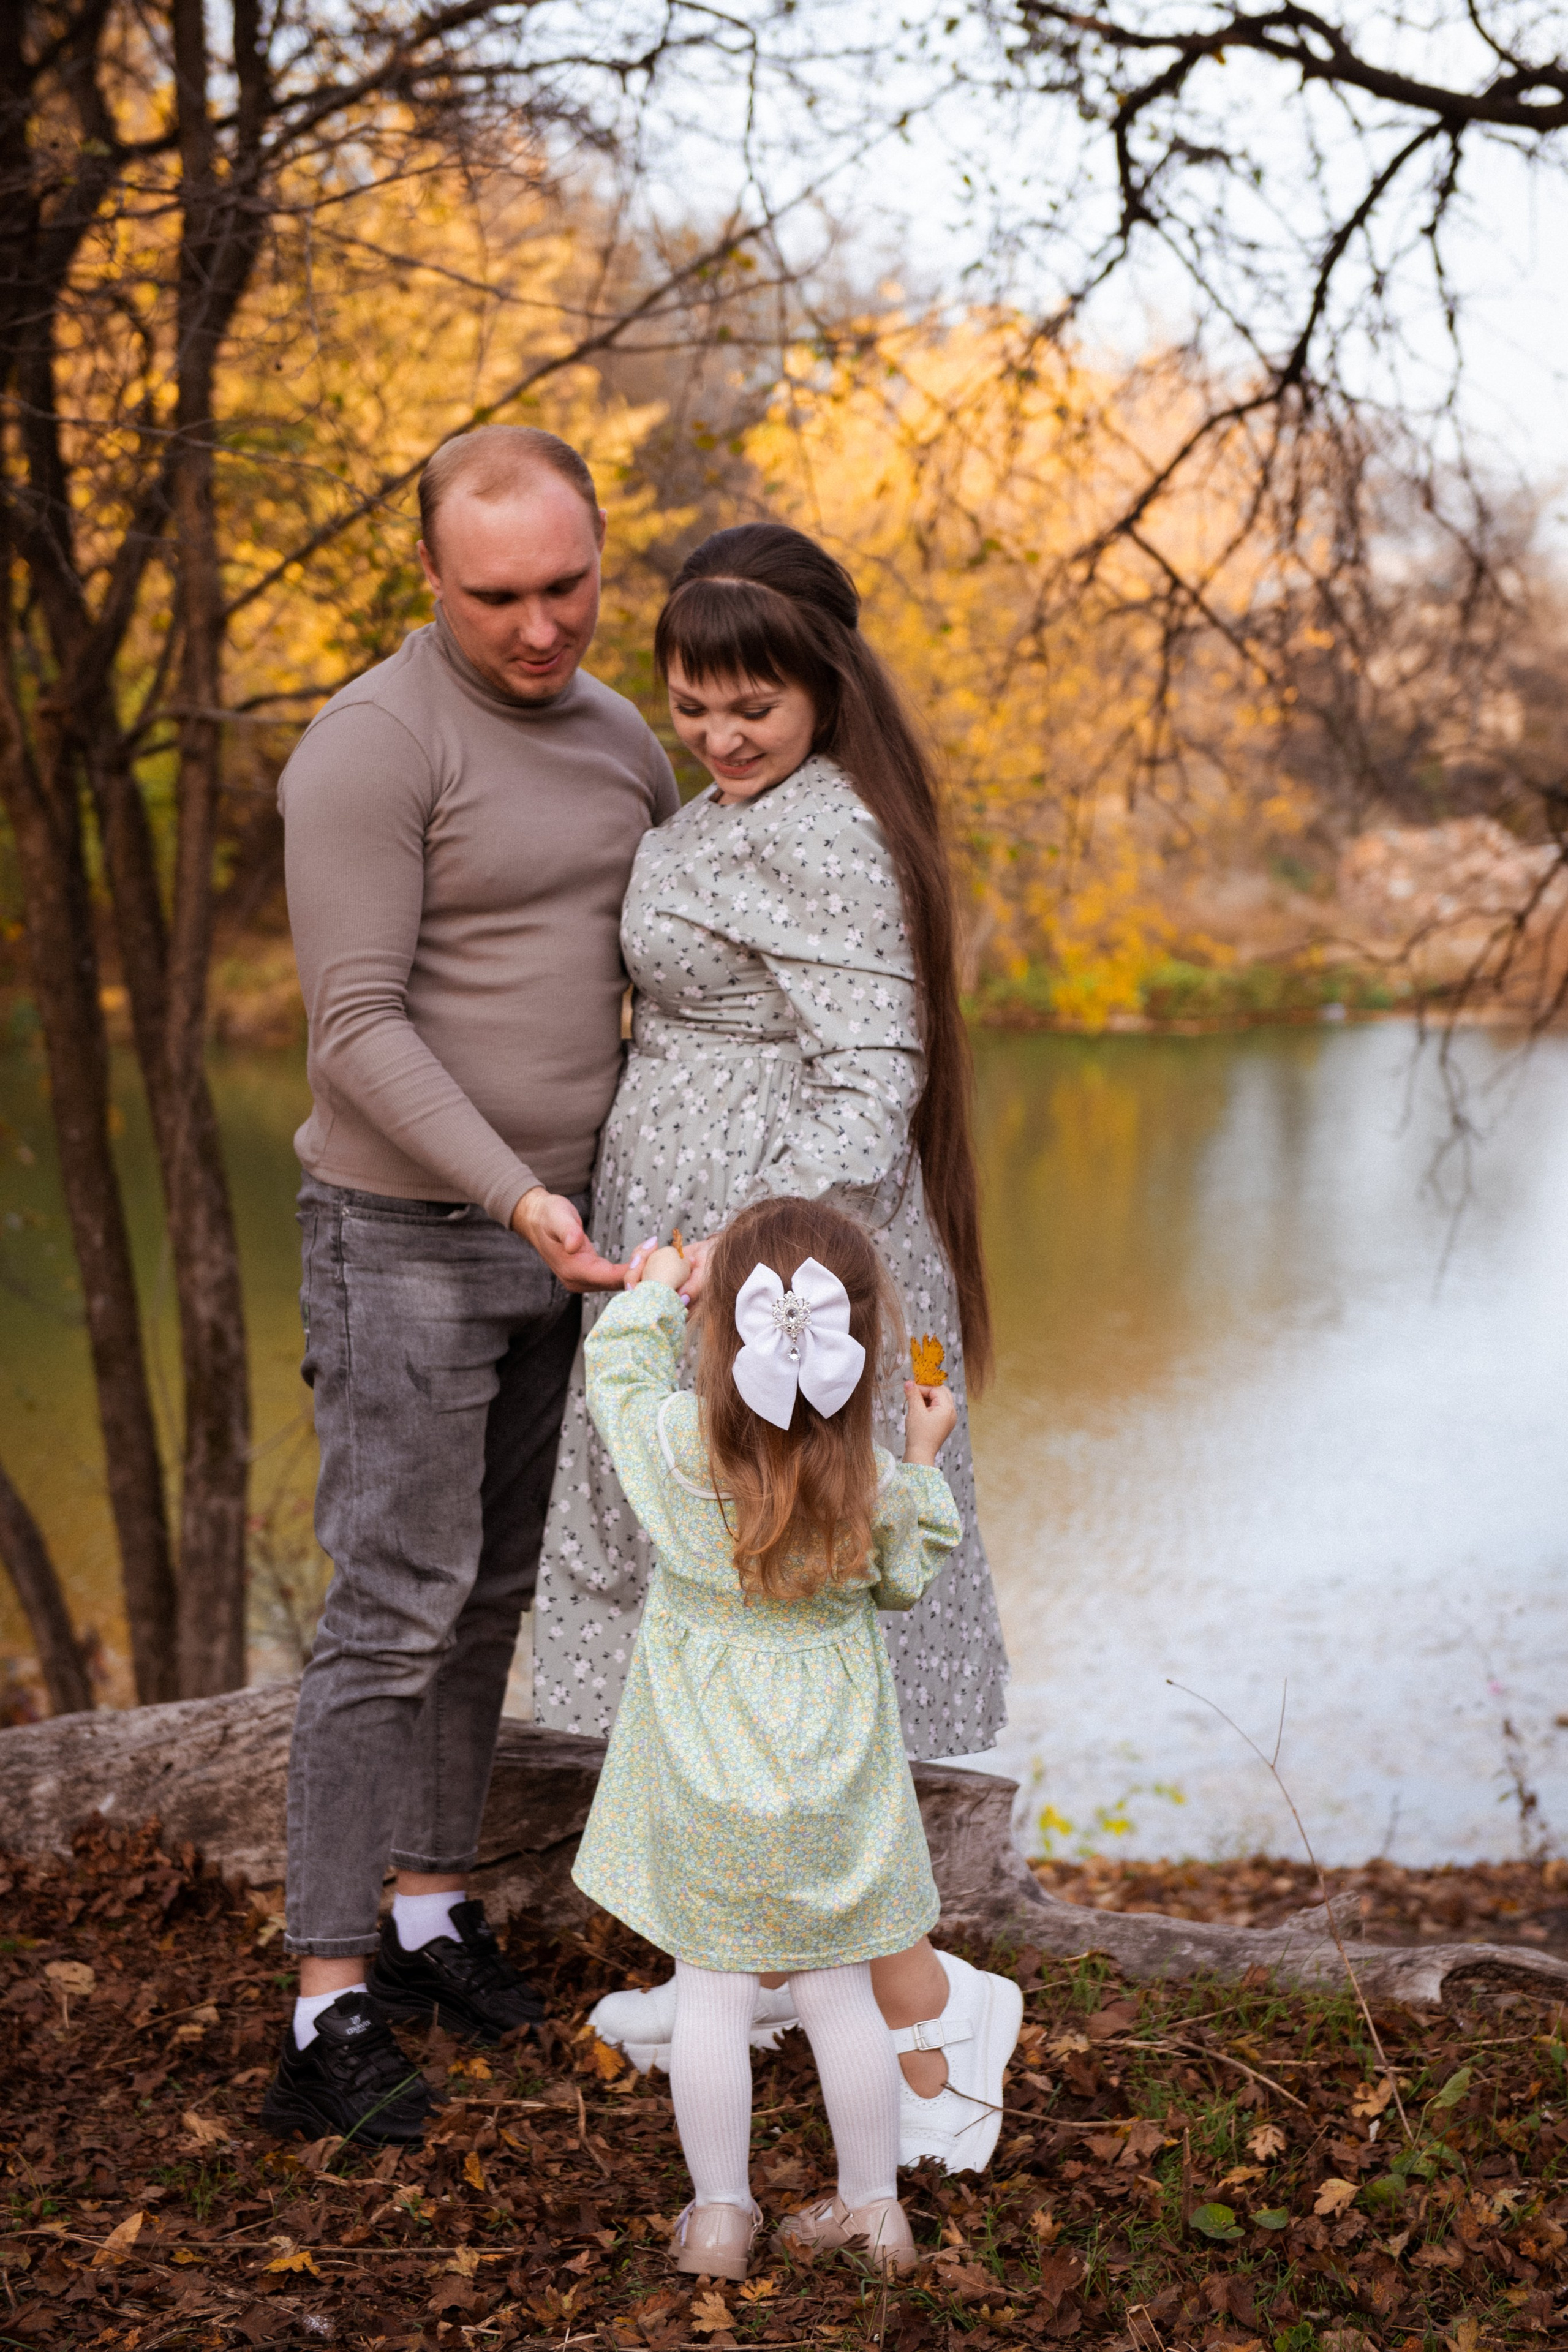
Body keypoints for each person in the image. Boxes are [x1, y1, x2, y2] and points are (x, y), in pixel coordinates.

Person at [533, 522, 1017, 2171]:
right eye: (694, 702)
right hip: (704, 1267)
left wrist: (743, 1264)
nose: (721, 732)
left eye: (755, 702)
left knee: (783, 1623)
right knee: (703, 1621)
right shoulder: (734, 809)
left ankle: (931, 2011)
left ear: (823, 686)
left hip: (777, 1287)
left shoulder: (828, 838)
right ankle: (722, 1965)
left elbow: (868, 1085)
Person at [263, 425, 678, 2144]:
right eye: (497, 594)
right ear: (430, 579)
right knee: (390, 1611)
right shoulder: (370, 746)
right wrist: (517, 1195)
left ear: (602, 556)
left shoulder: (622, 739)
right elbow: (357, 1028)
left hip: (570, 1248)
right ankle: (320, 2004)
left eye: (568, 586)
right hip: (414, 1239)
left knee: (491, 1594)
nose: (539, 626)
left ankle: (431, 1918)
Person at [573, 1195, 965, 2278]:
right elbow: (904, 1580)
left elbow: (615, 1378)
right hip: (832, 1773)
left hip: (708, 1767)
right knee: (838, 1984)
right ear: (865, 1345)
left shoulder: (677, 1449)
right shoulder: (872, 1482)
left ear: (720, 1332)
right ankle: (876, 2216)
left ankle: (717, 2222)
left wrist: (654, 1292)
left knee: (712, 1989)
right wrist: (925, 1451)